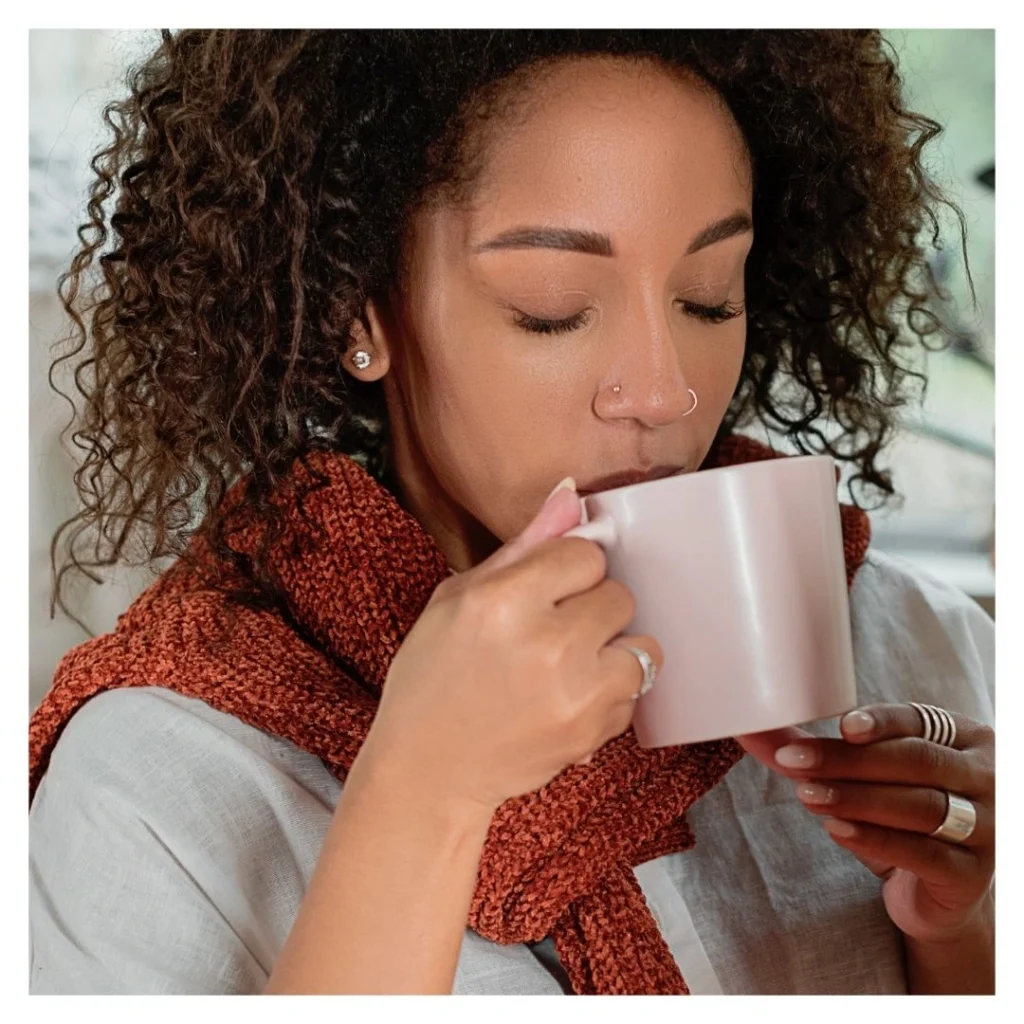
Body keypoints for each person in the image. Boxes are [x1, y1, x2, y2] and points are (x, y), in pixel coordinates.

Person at [29, 29, 994, 995]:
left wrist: (969, 935)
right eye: (554, 307)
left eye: (708, 299)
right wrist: (421, 793)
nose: (663, 392)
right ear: (359, 316)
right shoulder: (160, 777)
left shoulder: (922, 650)